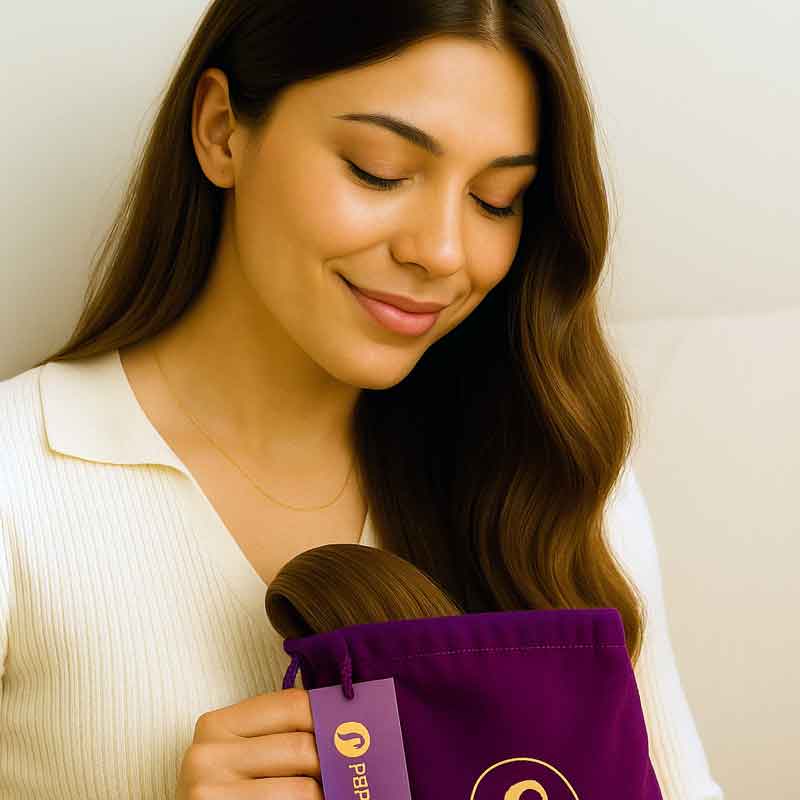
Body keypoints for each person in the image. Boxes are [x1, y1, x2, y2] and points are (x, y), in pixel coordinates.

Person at [0, 1, 725, 798]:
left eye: (496, 199)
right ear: (220, 130)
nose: (441, 251)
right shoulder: (20, 485)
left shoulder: (550, 478)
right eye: (379, 169)